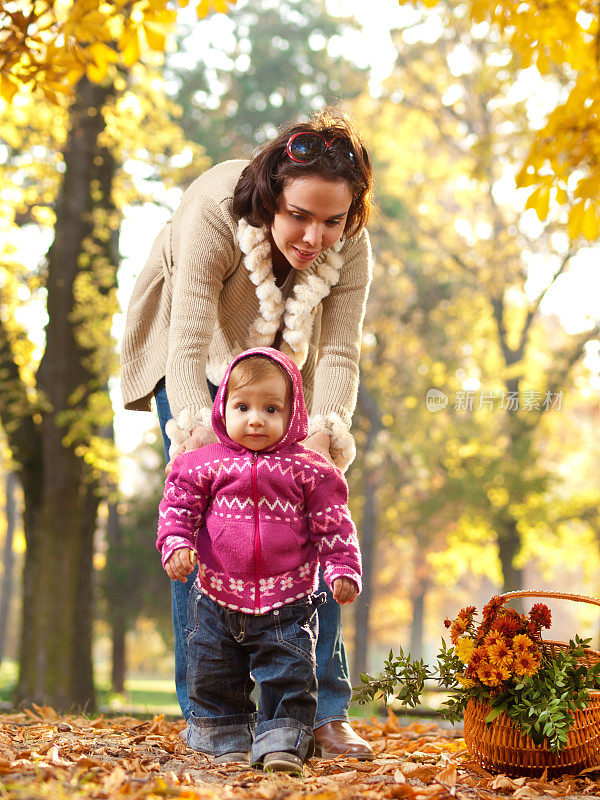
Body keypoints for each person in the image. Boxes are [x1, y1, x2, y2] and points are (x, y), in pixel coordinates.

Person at [121, 108, 374, 759]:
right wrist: (191, 435)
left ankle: (321, 711)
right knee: (202, 529)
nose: (315, 234)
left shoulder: (351, 245)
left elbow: (340, 352)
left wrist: (324, 434)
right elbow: (187, 336)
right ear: (271, 198)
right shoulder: (214, 209)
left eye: (332, 219)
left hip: (286, 372)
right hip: (199, 362)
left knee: (315, 519)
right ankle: (210, 714)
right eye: (299, 215)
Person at [157, 347, 362, 773]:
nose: (255, 419)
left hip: (286, 601)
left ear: (293, 414)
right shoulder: (201, 465)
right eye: (243, 406)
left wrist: (342, 568)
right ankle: (225, 738)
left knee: (289, 675)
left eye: (271, 408)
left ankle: (282, 743)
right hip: (216, 598)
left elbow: (334, 523)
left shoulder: (310, 471)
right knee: (213, 675)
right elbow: (178, 508)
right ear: (222, 408)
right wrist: (176, 543)